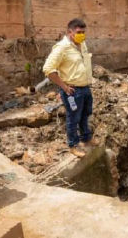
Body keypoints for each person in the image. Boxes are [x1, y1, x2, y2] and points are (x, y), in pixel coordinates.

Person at [43, 18, 98, 158]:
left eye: (84, 32)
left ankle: (86, 138)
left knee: (85, 115)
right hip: (72, 91)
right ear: (70, 32)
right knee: (73, 118)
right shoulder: (61, 48)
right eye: (79, 32)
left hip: (85, 88)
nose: (82, 35)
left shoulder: (82, 44)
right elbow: (48, 69)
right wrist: (64, 87)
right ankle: (73, 145)